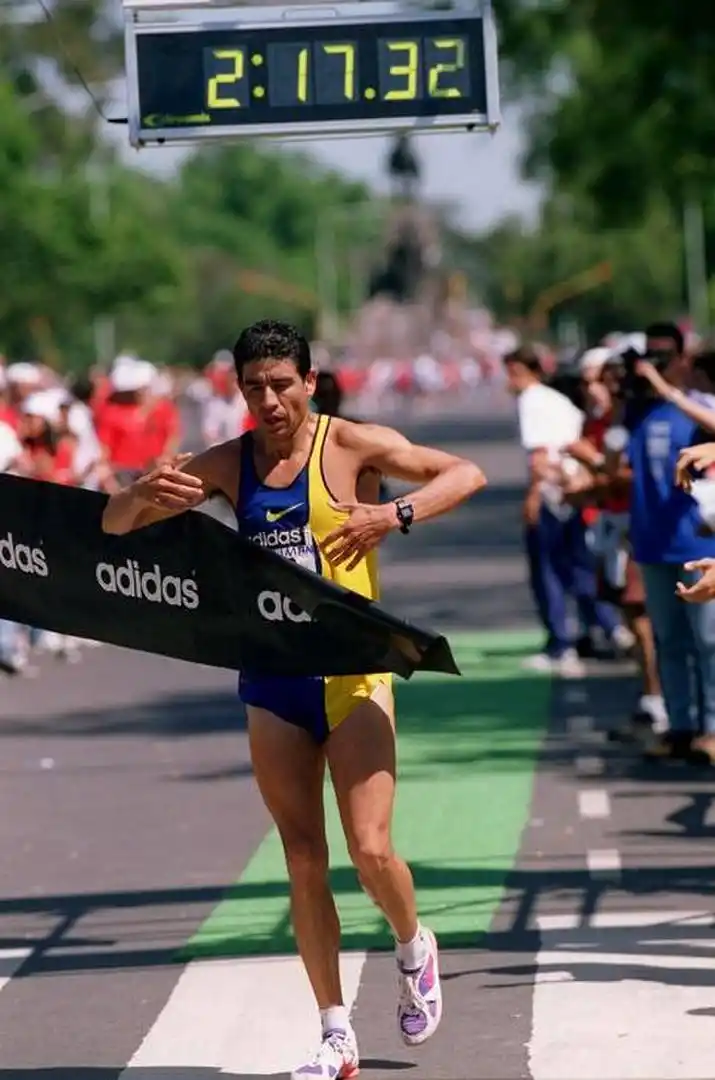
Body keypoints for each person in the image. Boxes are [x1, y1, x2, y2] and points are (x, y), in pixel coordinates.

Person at [102, 319, 487, 1079]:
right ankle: (334, 1032)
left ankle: (413, 945)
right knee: (303, 859)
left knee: (370, 851)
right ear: (238, 392)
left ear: (309, 383)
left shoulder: (350, 445)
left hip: (352, 675)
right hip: (272, 681)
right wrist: (141, 495)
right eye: (254, 389)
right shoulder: (229, 463)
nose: (269, 402)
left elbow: (463, 473)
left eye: (282, 385)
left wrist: (391, 513)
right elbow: (115, 526)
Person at [615, 323, 715, 762]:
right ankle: (681, 726)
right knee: (669, 639)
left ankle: (712, 728)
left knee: (709, 642)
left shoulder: (696, 407)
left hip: (698, 545)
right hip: (652, 545)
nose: (653, 364)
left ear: (681, 359)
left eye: (663, 355)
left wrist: (667, 388)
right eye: (648, 355)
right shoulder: (639, 412)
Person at [504, 345, 624, 677]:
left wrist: (533, 497)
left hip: (557, 494)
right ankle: (608, 628)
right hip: (574, 492)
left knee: (549, 569)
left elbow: (540, 456)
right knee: (578, 567)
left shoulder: (533, 400)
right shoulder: (557, 401)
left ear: (519, 370)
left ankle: (562, 643)